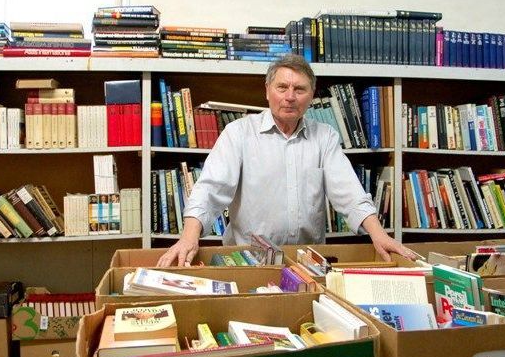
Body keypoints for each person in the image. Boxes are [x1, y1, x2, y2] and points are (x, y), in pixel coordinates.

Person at [157, 54, 419, 266]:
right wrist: (189, 237)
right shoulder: (238, 133)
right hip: (248, 260)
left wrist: (379, 234)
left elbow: (349, 192)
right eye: (282, 87)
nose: (290, 96)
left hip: (307, 261)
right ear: (268, 90)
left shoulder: (325, 137)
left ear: (311, 94)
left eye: (299, 89)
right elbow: (211, 189)